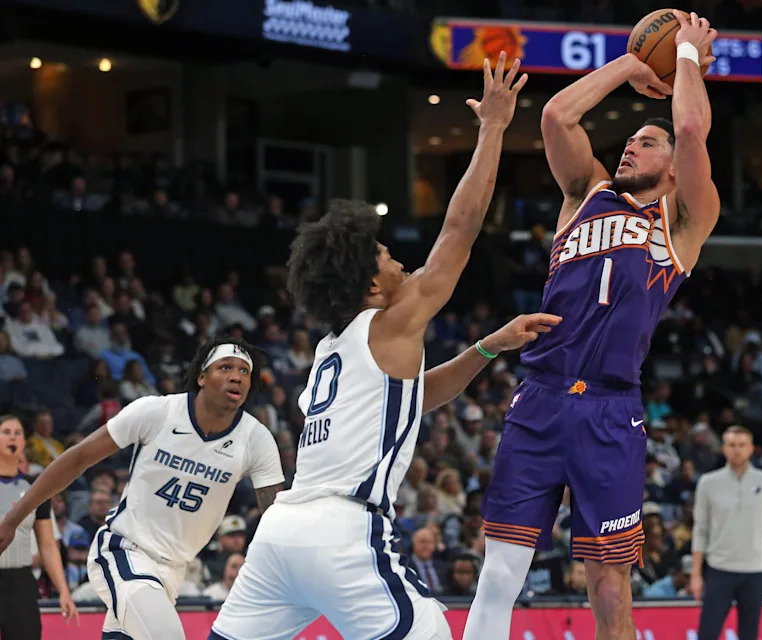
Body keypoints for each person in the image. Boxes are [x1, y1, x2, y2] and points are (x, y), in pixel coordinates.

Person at [209, 54, 540, 640]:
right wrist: (492, 127)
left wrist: (486, 348)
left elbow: (413, 399)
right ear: (368, 285)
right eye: (387, 257)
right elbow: (459, 231)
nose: (401, 262)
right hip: (343, 531)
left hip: (281, 535)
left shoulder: (332, 347)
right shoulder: (387, 325)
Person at [466, 13, 720, 640]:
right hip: (540, 395)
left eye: (647, 142)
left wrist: (686, 56)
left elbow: (691, 127)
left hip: (610, 409)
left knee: (608, 585)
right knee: (500, 571)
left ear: (673, 167)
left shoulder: (683, 220)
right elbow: (557, 116)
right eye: (629, 139)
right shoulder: (586, 193)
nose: (630, 145)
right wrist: (633, 65)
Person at [0, 337, 285, 640]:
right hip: (125, 550)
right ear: (202, 376)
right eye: (225, 367)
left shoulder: (256, 438)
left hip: (175, 570)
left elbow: (277, 518)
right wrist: (12, 520)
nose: (236, 376)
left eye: (244, 371)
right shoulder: (157, 412)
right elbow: (78, 458)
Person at [690, 427, 762, 640]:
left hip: (756, 569)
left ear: (751, 449)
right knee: (707, 634)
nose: (737, 450)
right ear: (724, 448)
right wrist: (695, 574)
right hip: (719, 568)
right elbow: (700, 530)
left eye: (742, 445)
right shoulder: (708, 483)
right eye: (732, 445)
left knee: (749, 634)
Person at [0, 415, 78, 639]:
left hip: (20, 584)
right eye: (6, 432)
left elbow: (48, 545)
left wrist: (63, 589)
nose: (12, 437)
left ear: (24, 442)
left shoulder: (35, 489)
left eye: (18, 433)